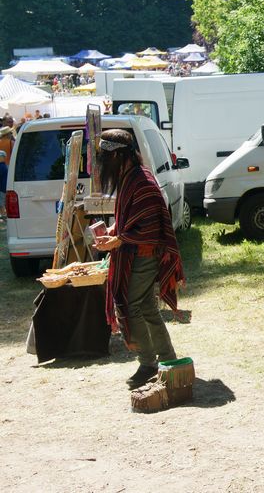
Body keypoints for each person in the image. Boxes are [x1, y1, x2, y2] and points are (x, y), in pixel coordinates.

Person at [93, 129, 184, 388]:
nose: (103, 164)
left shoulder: (141, 180)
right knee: (147, 308)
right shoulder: (130, 176)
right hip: (134, 255)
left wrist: (119, 240)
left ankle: (148, 364)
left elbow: (151, 227)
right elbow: (130, 219)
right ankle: (167, 359)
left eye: (106, 158)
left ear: (118, 156)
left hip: (143, 256)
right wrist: (114, 230)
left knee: (131, 305)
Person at [0, 150, 7, 218]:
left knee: (1, 203)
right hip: (4, 188)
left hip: (2, 189)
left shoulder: (2, 166)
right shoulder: (5, 166)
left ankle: (3, 216)